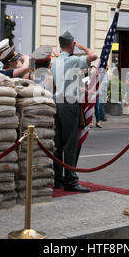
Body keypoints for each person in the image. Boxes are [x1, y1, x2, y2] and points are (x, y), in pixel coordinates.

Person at [51, 31, 98, 192]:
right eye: (74, 44)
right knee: (70, 144)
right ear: (71, 44)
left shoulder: (55, 62)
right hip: (69, 103)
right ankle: (70, 180)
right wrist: (82, 47)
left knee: (57, 144)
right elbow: (93, 56)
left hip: (57, 103)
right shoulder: (72, 61)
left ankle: (58, 179)